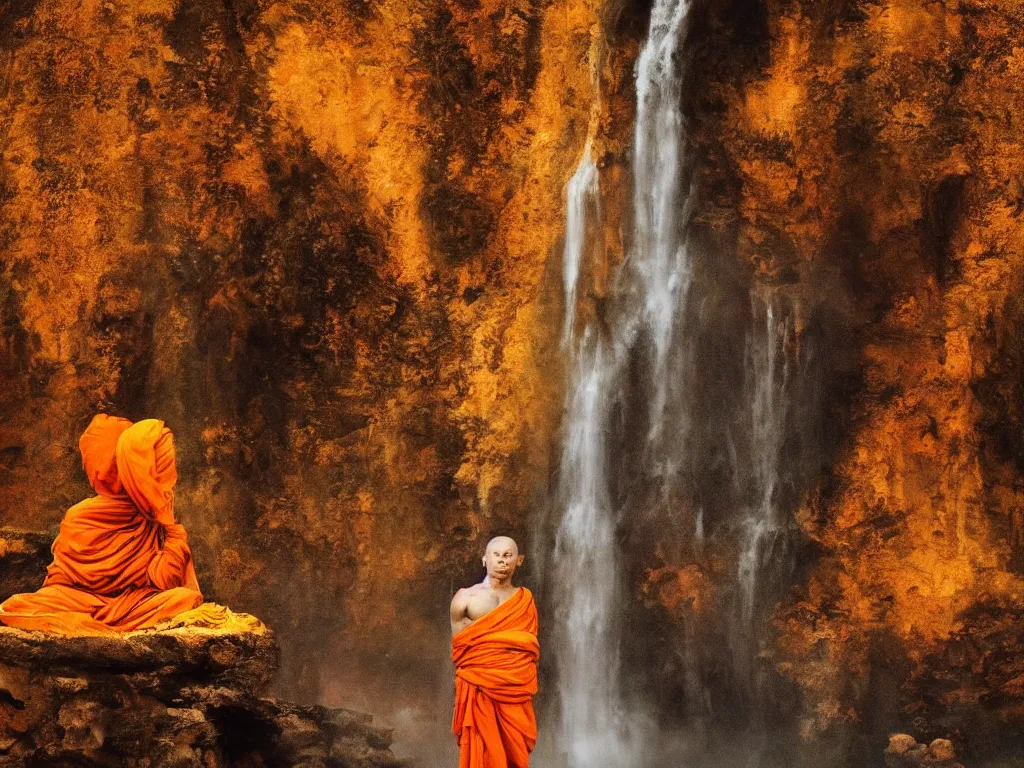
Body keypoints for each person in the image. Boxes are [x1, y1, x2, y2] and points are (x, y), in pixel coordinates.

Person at [0, 415, 203, 635]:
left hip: (132, 605)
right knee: (20, 605)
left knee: (184, 598)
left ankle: (95, 621)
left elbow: (164, 583)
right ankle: (97, 620)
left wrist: (170, 527)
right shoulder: (81, 516)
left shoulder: (150, 518)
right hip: (79, 602)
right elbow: (61, 585)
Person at [450, 535, 539, 768]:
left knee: (514, 754)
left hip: (515, 687)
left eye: (508, 555)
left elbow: (528, 647)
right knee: (483, 751)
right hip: (479, 689)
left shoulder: (525, 600)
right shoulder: (465, 598)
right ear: (484, 559)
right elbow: (461, 651)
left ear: (519, 560)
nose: (502, 561)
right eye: (496, 555)